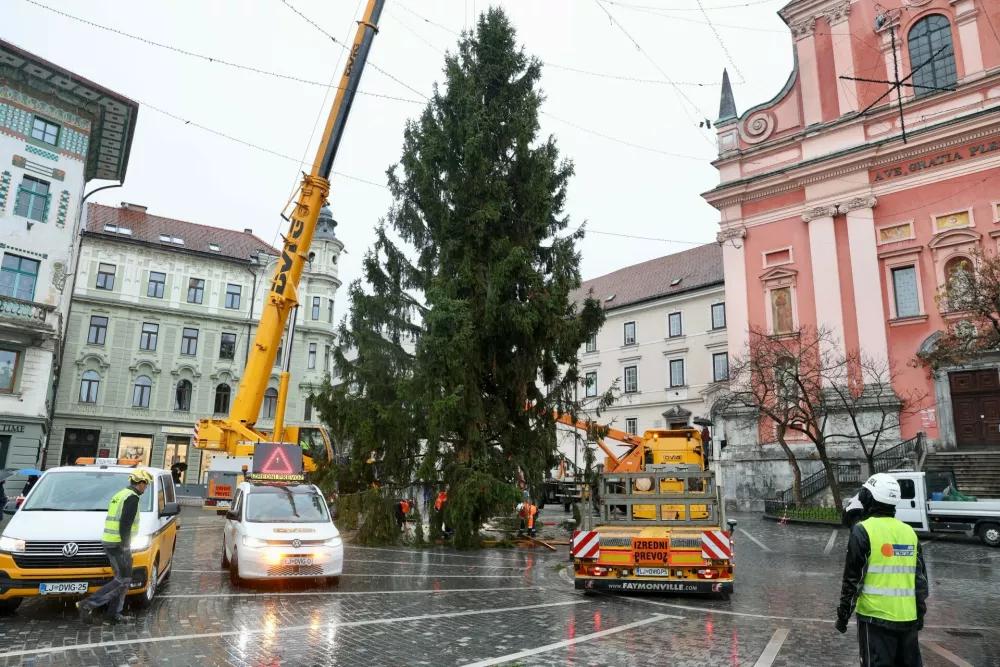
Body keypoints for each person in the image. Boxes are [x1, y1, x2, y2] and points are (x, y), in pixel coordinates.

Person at [836, 473, 928, 666]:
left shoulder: (863, 530)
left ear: (869, 498)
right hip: (908, 618)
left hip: (874, 619)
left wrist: (843, 615)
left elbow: (853, 579)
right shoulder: (908, 531)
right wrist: (920, 613)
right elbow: (920, 579)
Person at [77, 469, 153, 626]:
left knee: (123, 580)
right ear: (140, 483)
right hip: (118, 544)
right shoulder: (131, 498)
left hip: (112, 542)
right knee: (122, 579)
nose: (146, 488)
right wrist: (126, 545)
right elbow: (125, 523)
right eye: (146, 485)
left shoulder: (121, 494)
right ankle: (87, 604)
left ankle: (111, 616)